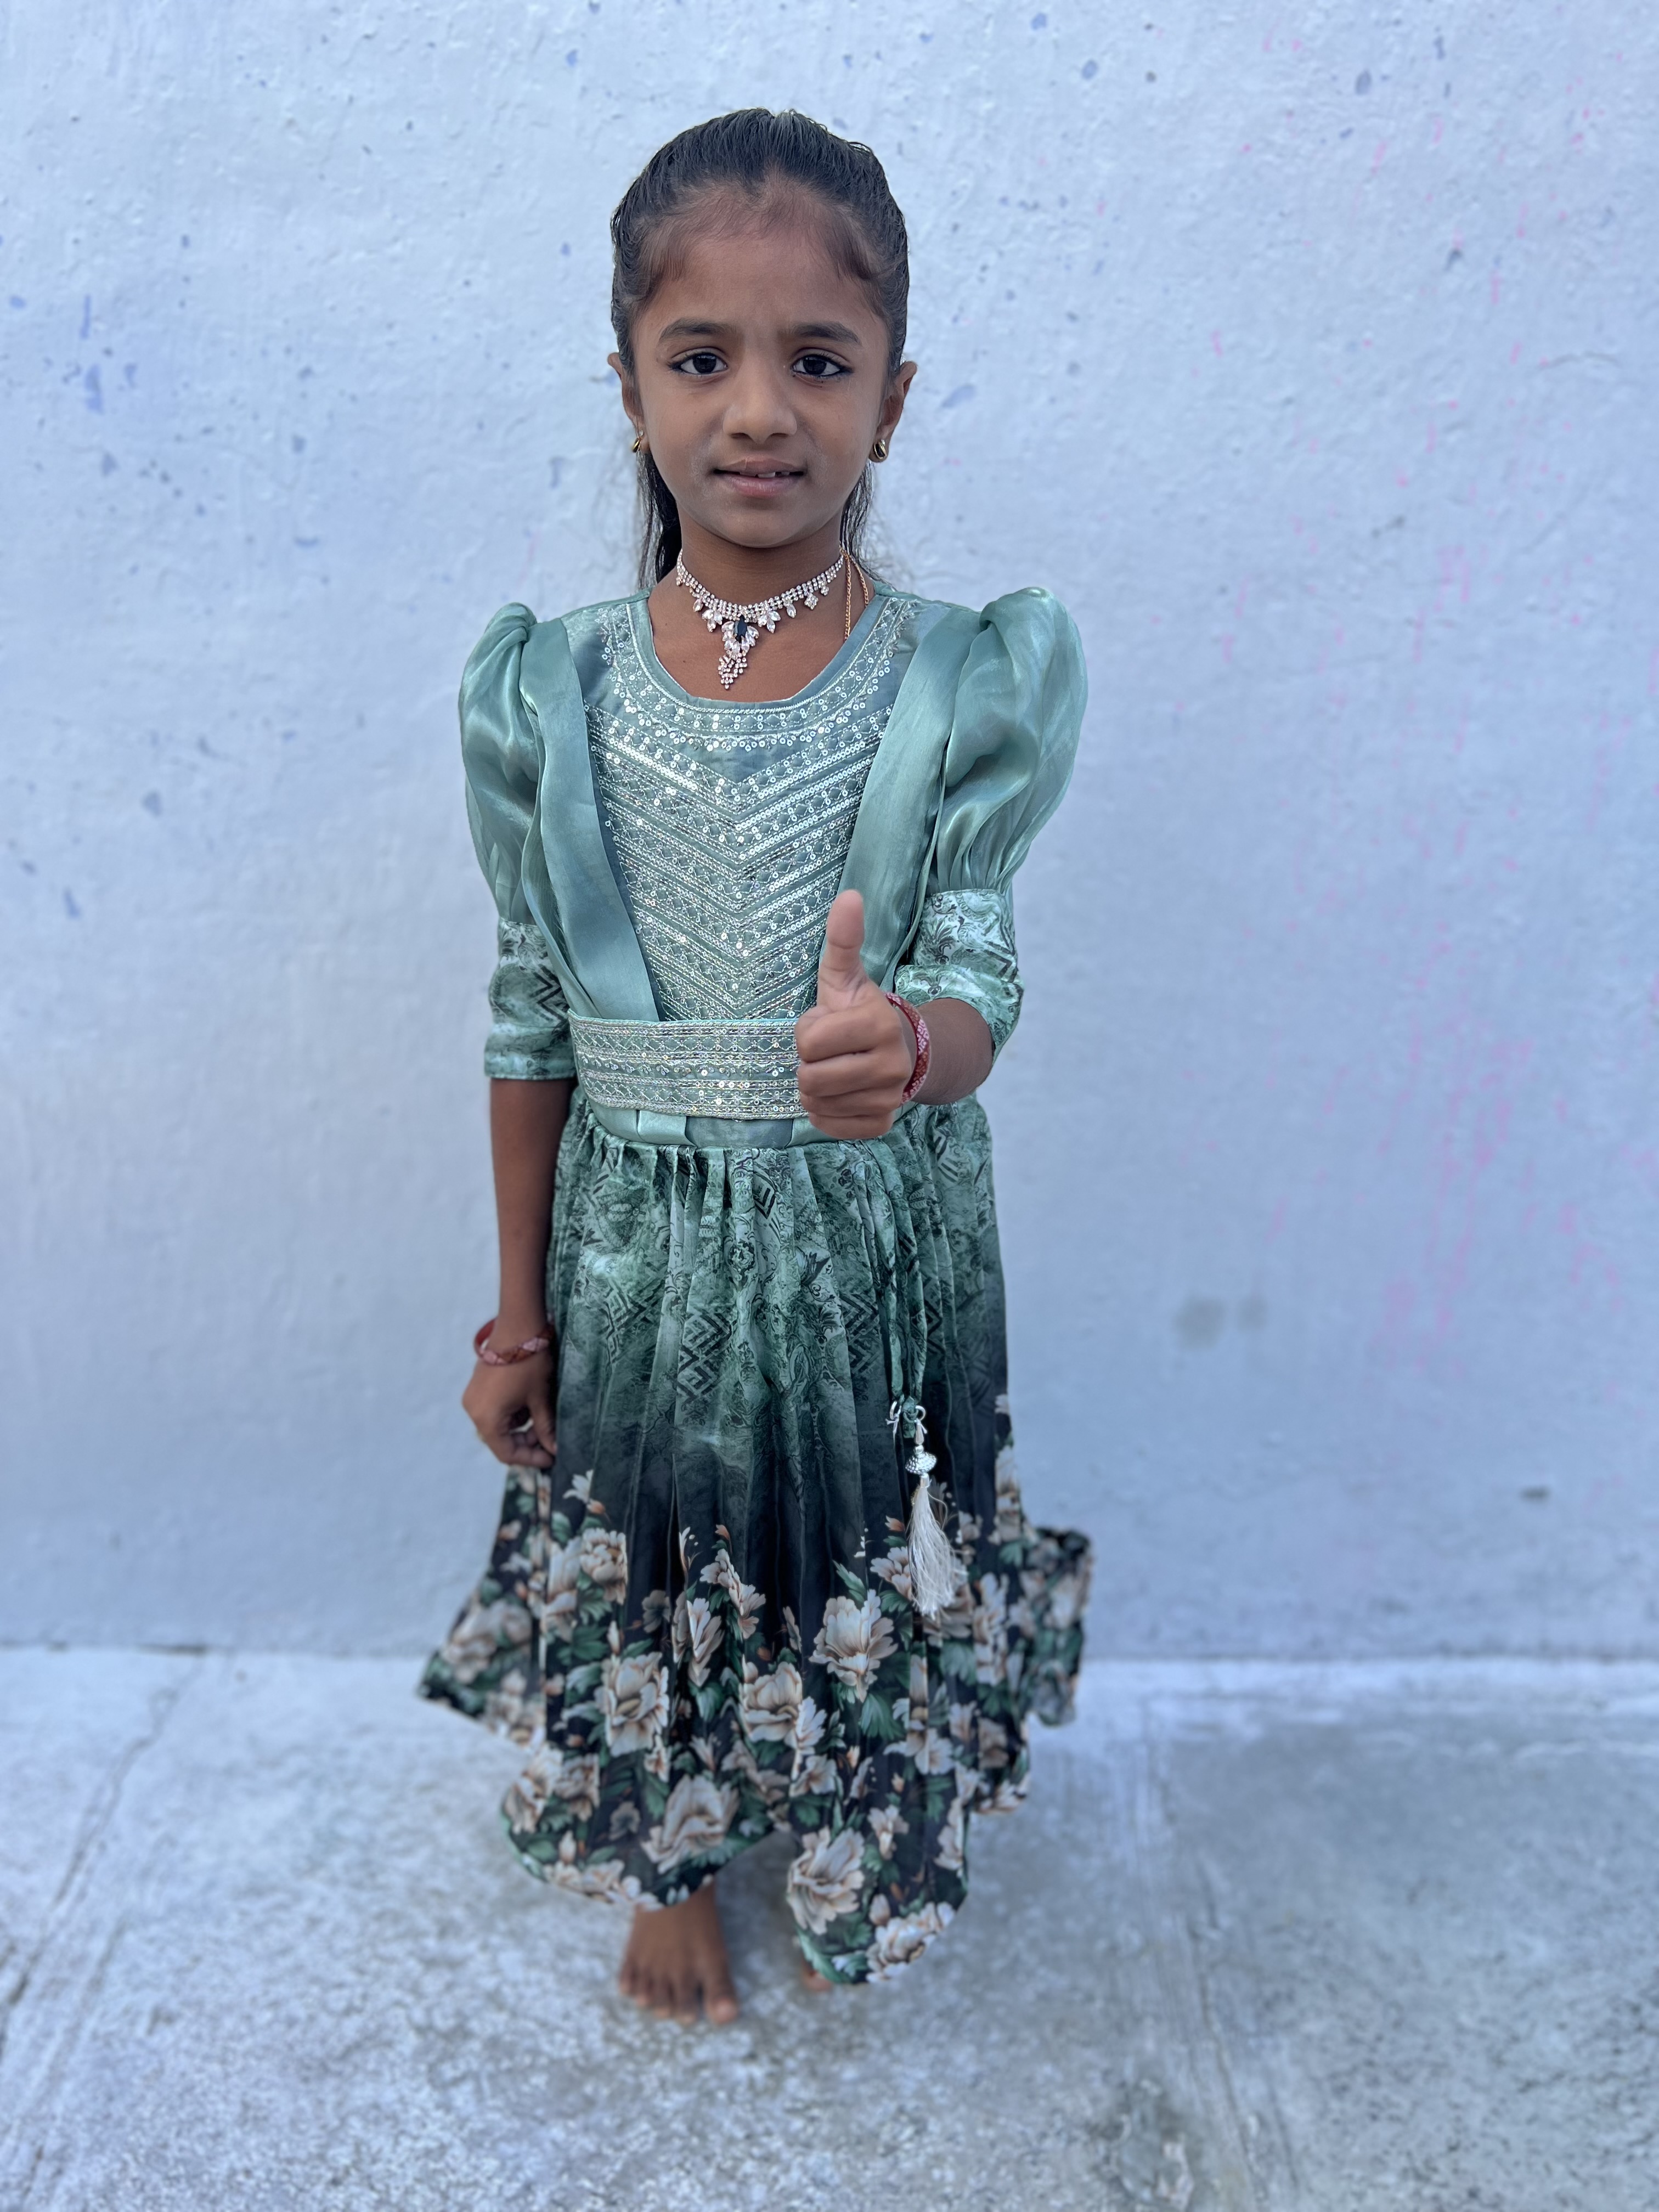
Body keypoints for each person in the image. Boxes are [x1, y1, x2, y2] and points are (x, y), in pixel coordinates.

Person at [420, 107, 1092, 2024]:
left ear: (895, 393)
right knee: (659, 1547)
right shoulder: (551, 688)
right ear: (631, 384)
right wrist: (518, 1317)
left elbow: (978, 976)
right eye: (702, 357)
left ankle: (848, 1824)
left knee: (844, 1541)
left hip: (867, 1239)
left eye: (819, 359)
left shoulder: (962, 677)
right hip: (636, 1252)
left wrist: (914, 1049)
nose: (760, 411)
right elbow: (531, 1014)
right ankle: (676, 1854)